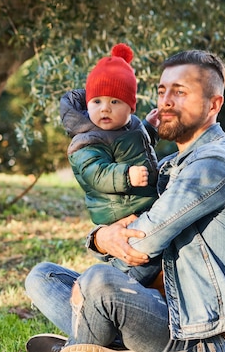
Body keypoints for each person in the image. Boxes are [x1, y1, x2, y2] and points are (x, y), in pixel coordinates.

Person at [25, 49, 225, 352]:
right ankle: (107, 342)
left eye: (180, 92)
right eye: (162, 91)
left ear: (214, 104)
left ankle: (83, 343)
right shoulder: (175, 162)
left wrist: (104, 245)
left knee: (98, 281)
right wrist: (100, 236)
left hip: (193, 334)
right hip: (158, 304)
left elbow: (139, 244)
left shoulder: (213, 164)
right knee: (43, 276)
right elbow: (120, 238)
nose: (166, 101)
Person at [60, 43, 163, 287]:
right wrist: (126, 175)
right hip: (119, 210)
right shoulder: (87, 139)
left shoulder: (131, 126)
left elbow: (138, 148)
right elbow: (94, 173)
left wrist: (149, 129)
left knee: (153, 257)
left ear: (130, 106)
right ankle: (115, 290)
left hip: (140, 203)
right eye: (96, 101)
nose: (105, 108)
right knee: (137, 260)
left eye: (115, 101)